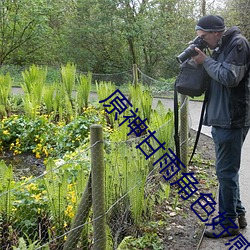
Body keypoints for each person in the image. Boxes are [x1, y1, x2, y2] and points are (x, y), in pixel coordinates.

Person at [192, 15, 250, 238]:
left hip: (232, 118)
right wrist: (201, 60)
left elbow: (229, 77)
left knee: (225, 172)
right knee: (227, 171)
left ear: (216, 32)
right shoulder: (221, 46)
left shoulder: (238, 44)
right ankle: (238, 214)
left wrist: (205, 61)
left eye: (204, 37)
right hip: (222, 117)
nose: (203, 41)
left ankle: (228, 223)